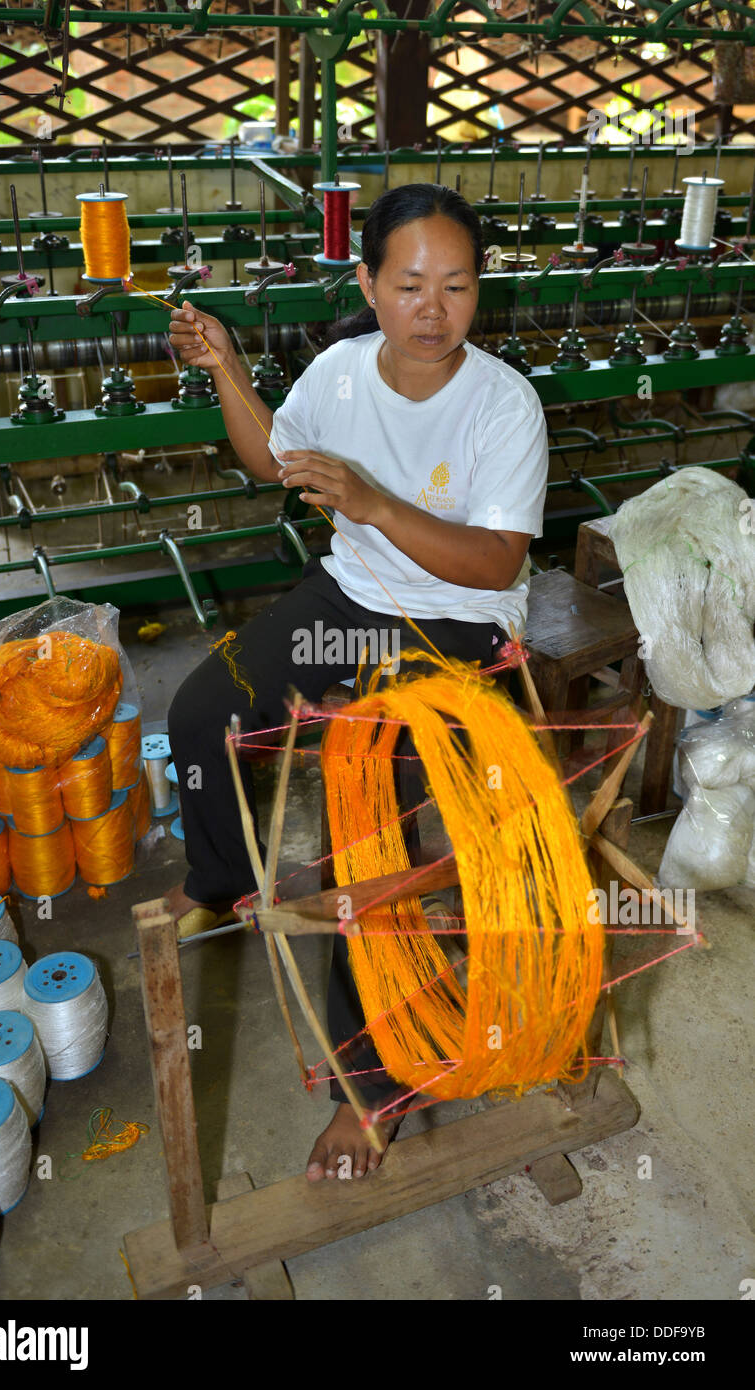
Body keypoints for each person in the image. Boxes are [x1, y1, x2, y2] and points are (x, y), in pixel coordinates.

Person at [166, 182, 549, 1183]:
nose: (434, 310)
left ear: (479, 289)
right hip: (346, 597)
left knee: (359, 826)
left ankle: (366, 1090)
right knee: (200, 709)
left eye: (457, 286)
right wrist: (226, 368)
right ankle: (222, 884)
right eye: (410, 285)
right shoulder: (338, 372)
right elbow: (272, 458)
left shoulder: (503, 404)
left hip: (454, 631)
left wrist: (376, 503)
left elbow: (498, 565)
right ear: (368, 283)